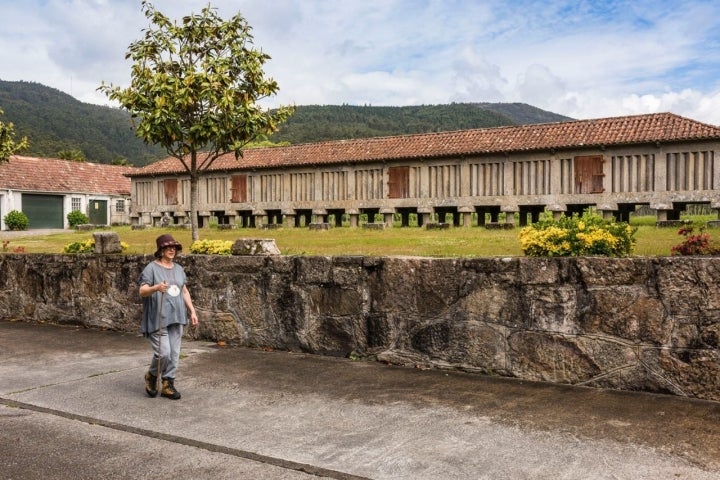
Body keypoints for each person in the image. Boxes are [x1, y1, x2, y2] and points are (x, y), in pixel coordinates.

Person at [139, 233, 199, 399]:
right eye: (168, 247)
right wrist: (156, 287)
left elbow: (184, 291)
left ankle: (168, 384)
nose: (172, 250)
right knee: (163, 353)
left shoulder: (179, 269)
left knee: (174, 353)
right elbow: (142, 291)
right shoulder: (151, 268)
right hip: (158, 317)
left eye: (174, 247)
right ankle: (152, 375)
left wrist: (192, 311)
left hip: (177, 316)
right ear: (161, 250)